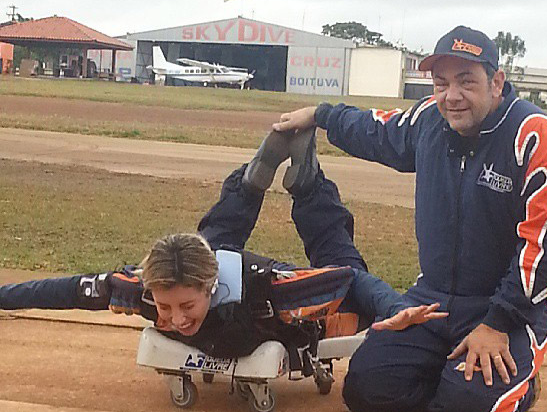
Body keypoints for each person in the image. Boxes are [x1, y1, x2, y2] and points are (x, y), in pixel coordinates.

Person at [272, 25, 547, 412]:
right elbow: (377, 131)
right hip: (433, 299)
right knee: (366, 390)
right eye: (441, 83)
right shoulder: (430, 121)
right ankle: (454, 379)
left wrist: (499, 322)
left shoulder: (535, 135)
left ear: (497, 82)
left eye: (466, 82)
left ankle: (510, 386)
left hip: (506, 308)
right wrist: (321, 115)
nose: (452, 96)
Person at [0, 130, 446, 372]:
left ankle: (307, 185)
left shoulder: (274, 291)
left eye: (186, 306)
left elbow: (349, 280)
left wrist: (394, 308)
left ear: (211, 287)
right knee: (213, 236)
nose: (174, 319)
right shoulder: (139, 287)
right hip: (211, 256)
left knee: (342, 261)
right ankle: (251, 181)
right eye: (164, 305)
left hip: (258, 282)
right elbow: (61, 290)